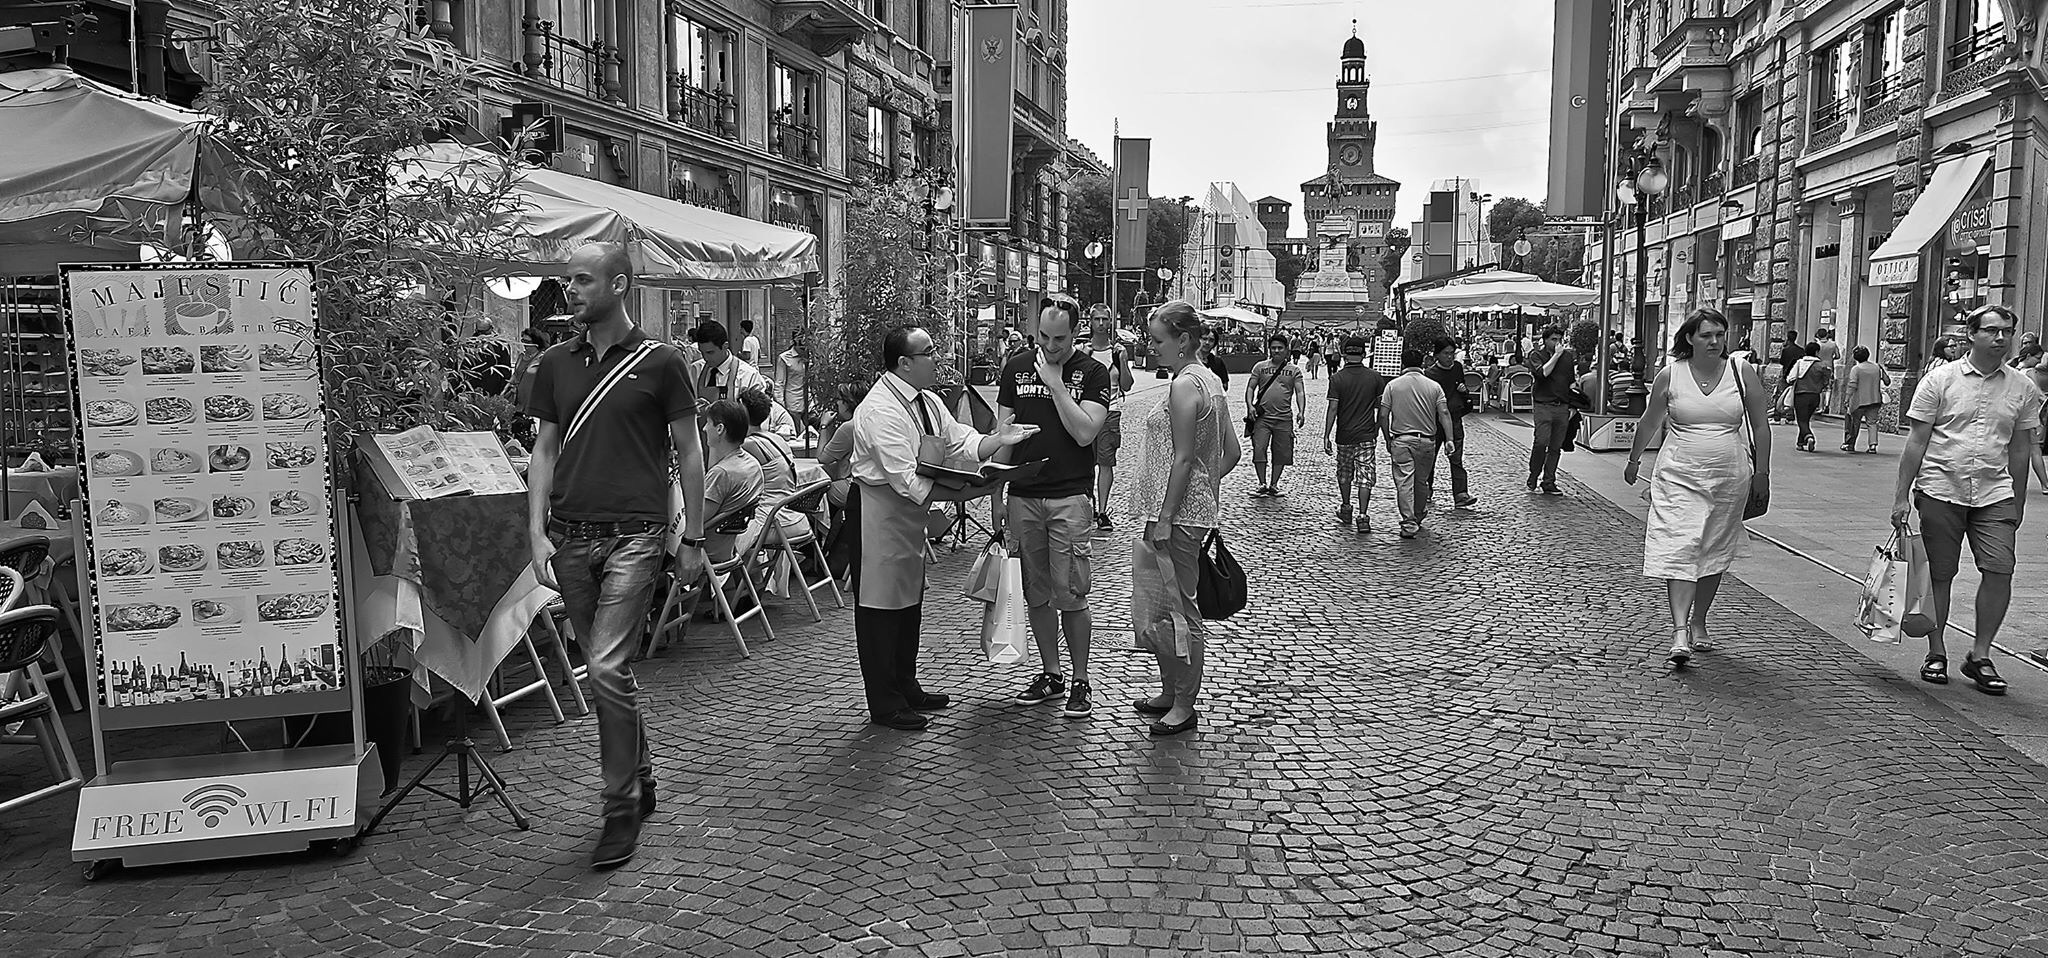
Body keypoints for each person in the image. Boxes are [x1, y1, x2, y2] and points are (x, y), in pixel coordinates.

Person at [526, 241, 706, 870]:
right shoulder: (555, 363)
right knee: (610, 670)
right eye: (568, 280)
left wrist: (694, 538)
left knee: (603, 666)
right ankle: (642, 775)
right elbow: (544, 450)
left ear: (620, 285)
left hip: (637, 533)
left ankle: (620, 805)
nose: (570, 290)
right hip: (570, 535)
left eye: (582, 280)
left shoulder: (663, 361)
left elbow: (690, 450)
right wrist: (535, 532)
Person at [848, 327, 1036, 730]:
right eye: (929, 352)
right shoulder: (880, 410)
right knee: (879, 607)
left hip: (907, 515)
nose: (938, 357)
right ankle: (884, 702)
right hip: (878, 512)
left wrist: (998, 440)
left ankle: (905, 685)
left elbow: (959, 441)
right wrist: (968, 490)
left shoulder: (928, 401)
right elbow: (905, 478)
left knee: (909, 602)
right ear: (905, 363)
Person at [1893, 304, 2044, 696]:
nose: (2001, 338)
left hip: (1995, 493)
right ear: (1971, 335)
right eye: (1992, 330)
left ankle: (1980, 654)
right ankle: (1937, 650)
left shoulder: (2023, 388)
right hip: (1941, 488)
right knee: (1941, 573)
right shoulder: (1940, 380)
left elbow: (2020, 448)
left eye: (2007, 331)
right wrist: (1900, 497)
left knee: (2000, 569)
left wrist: (2018, 500)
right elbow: (1916, 441)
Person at [1623, 308, 1771, 667]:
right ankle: (1679, 631)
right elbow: (1650, 421)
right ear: (1690, 338)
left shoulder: (1741, 371)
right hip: (1679, 473)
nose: (1715, 342)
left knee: (1713, 547)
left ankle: (1699, 620)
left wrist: (1763, 473)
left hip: (1728, 475)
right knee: (1681, 543)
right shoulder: (1671, 374)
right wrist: (1633, 459)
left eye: (1720, 334)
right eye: (1706, 335)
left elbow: (1760, 425)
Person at [993, 298, 1111, 718]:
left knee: (1072, 594)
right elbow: (1003, 435)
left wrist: (1056, 384)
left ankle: (1081, 679)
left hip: (1069, 497)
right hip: (1023, 495)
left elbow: (1085, 434)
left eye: (1059, 338)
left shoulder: (1093, 373)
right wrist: (996, 496)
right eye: (1043, 336)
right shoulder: (1015, 368)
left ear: (1075, 333)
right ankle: (1051, 673)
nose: (1049, 345)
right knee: (1036, 593)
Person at [1129, 301, 1240, 736]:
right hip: (1184, 512)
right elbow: (1231, 452)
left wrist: (1168, 514)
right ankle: (1172, 692)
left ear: (1183, 340)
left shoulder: (1183, 386)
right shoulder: (1209, 381)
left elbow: (1183, 458)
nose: (1151, 347)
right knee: (1165, 604)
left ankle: (1183, 703)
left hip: (1173, 516)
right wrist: (1203, 489)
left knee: (1179, 608)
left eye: (1158, 340)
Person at [1379, 347, 1454, 539]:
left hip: (1401, 439)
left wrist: (1387, 438)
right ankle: (1418, 514)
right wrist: (1449, 439)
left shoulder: (1392, 386)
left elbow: (1383, 414)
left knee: (1404, 482)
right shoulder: (1434, 386)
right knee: (1421, 481)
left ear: (1402, 364)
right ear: (1422, 363)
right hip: (1427, 440)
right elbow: (1444, 412)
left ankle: (1408, 521)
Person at [1078, 313, 1136, 534]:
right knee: (1084, 461)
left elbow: (1127, 385)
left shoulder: (1116, 352)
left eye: (1105, 319)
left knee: (1105, 461)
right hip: (1085, 412)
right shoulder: (1083, 351)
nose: (1101, 324)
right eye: (1097, 319)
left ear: (1110, 322)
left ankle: (1102, 511)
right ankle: (1088, 505)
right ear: (1091, 322)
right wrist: (1083, 358)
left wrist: (1123, 361)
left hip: (1110, 412)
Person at [1322, 335, 1385, 532]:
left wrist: (1326, 435)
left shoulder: (1337, 378)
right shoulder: (1375, 377)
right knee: (1366, 475)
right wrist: (1377, 429)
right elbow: (1382, 408)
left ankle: (1346, 507)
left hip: (1344, 434)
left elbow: (1333, 408)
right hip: (1366, 434)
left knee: (1345, 472)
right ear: (1364, 354)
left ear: (1344, 355)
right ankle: (1363, 516)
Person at [695, 319, 795, 439]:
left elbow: (758, 420)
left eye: (710, 352)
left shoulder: (749, 376)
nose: (706, 358)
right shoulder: (695, 370)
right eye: (702, 353)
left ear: (725, 346)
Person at [1245, 333, 1306, 497]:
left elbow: (1300, 392)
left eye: (1280, 348)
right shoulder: (1260, 367)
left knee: (1281, 452)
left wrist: (1301, 411)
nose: (1276, 351)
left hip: (1284, 418)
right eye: (1273, 348)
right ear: (1269, 349)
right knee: (1259, 449)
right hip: (1262, 418)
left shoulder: (1294, 370)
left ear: (1286, 350)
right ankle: (1261, 483)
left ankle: (1274, 484)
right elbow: (1250, 387)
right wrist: (1250, 406)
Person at [1423, 337, 1480, 509]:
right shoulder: (1430, 374)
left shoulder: (1457, 368)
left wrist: (1464, 391)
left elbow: (1461, 387)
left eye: (1452, 353)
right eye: (1446, 353)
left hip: (1454, 418)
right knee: (1430, 457)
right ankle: (1426, 490)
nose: (1449, 357)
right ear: (1437, 355)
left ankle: (1461, 494)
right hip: (1435, 421)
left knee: (1456, 458)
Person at [1526, 325, 1574, 495]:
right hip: (1543, 405)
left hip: (1562, 405)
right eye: (1553, 339)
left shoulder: (1567, 357)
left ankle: (1549, 480)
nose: (1557, 343)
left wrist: (1573, 405)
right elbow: (1543, 373)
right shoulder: (1536, 355)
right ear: (1545, 340)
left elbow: (1570, 381)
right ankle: (1534, 473)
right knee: (1541, 442)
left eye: (1560, 339)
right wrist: (1556, 356)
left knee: (1555, 446)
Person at [1842, 346, 1891, 453]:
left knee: (1854, 423)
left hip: (1859, 401)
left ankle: (1850, 444)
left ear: (1855, 357)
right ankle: (1872, 446)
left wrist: (1847, 399)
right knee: (1872, 423)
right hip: (1875, 399)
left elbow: (1852, 385)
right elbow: (1887, 381)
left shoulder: (1856, 369)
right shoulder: (1876, 367)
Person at [1788, 341, 1831, 452]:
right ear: (1816, 352)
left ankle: (1809, 436)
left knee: (1801, 420)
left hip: (1801, 395)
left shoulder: (1800, 363)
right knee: (1805, 419)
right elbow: (1826, 381)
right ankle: (1800, 443)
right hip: (1815, 396)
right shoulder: (1822, 366)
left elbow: (1790, 378)